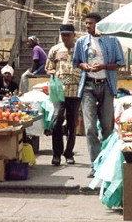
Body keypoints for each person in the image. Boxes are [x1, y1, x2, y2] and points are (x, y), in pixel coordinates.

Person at [72, 12, 125, 176]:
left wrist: (103, 67)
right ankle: (95, 165)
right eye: (86, 23)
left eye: (91, 23)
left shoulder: (112, 40)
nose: (88, 26)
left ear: (99, 24)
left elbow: (120, 63)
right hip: (88, 86)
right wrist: (84, 66)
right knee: (90, 128)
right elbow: (76, 62)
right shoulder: (81, 42)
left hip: (107, 86)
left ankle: (107, 163)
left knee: (107, 128)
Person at [45, 24, 82, 166]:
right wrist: (53, 73)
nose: (65, 37)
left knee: (72, 124)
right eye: (63, 35)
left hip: (75, 91)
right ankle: (56, 154)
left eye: (68, 35)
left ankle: (69, 153)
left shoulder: (81, 49)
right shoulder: (55, 50)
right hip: (59, 92)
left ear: (74, 35)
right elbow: (48, 68)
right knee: (56, 122)